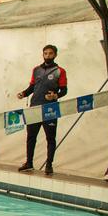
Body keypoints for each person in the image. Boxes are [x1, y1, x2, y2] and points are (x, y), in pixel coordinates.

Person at [16, 45, 67, 176]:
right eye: (45, 53)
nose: (48, 55)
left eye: (50, 53)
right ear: (42, 54)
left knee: (50, 138)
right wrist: (23, 93)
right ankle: (29, 163)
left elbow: (64, 90)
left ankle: (49, 164)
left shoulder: (60, 71)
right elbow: (31, 87)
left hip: (50, 109)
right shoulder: (36, 70)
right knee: (31, 137)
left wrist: (56, 96)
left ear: (55, 55)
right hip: (34, 107)